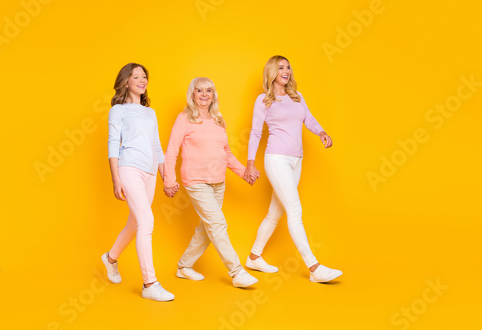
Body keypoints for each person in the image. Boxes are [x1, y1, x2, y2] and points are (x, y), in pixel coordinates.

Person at [244, 55, 343, 283]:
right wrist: (250, 162)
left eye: (288, 67)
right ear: (272, 73)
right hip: (277, 159)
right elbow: (256, 133)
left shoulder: (297, 97)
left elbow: (308, 118)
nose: (286, 71)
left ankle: (253, 257)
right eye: (280, 68)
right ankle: (314, 268)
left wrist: (321, 132)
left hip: (296, 160)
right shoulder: (263, 101)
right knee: (295, 210)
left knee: (274, 213)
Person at [164, 77, 259, 288]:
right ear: (192, 94)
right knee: (217, 224)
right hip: (196, 181)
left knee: (206, 228)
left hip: (218, 182)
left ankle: (184, 266)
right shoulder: (184, 119)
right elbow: (171, 151)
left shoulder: (218, 120)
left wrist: (244, 172)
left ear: (213, 94)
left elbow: (226, 153)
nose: (204, 95)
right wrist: (169, 180)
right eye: (199, 91)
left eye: (209, 90)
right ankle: (237, 272)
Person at [101, 63, 175, 301]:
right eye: (136, 76)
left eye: (144, 76)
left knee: (135, 223)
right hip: (129, 168)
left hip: (150, 172)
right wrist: (116, 178)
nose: (142, 80)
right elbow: (113, 144)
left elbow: (157, 146)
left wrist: (167, 176)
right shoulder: (118, 110)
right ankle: (149, 284)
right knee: (146, 220)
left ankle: (110, 258)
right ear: (126, 82)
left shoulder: (150, 112)